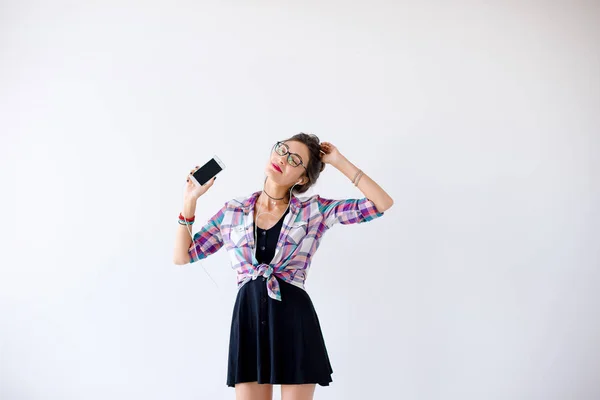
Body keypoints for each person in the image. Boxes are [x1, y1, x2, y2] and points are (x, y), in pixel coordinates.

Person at [173, 133, 394, 400]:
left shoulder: (315, 211)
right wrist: (190, 200)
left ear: (302, 178)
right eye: (282, 150)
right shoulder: (234, 210)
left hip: (295, 320)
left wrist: (338, 161)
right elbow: (183, 255)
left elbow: (381, 204)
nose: (283, 158)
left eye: (294, 159)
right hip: (249, 321)